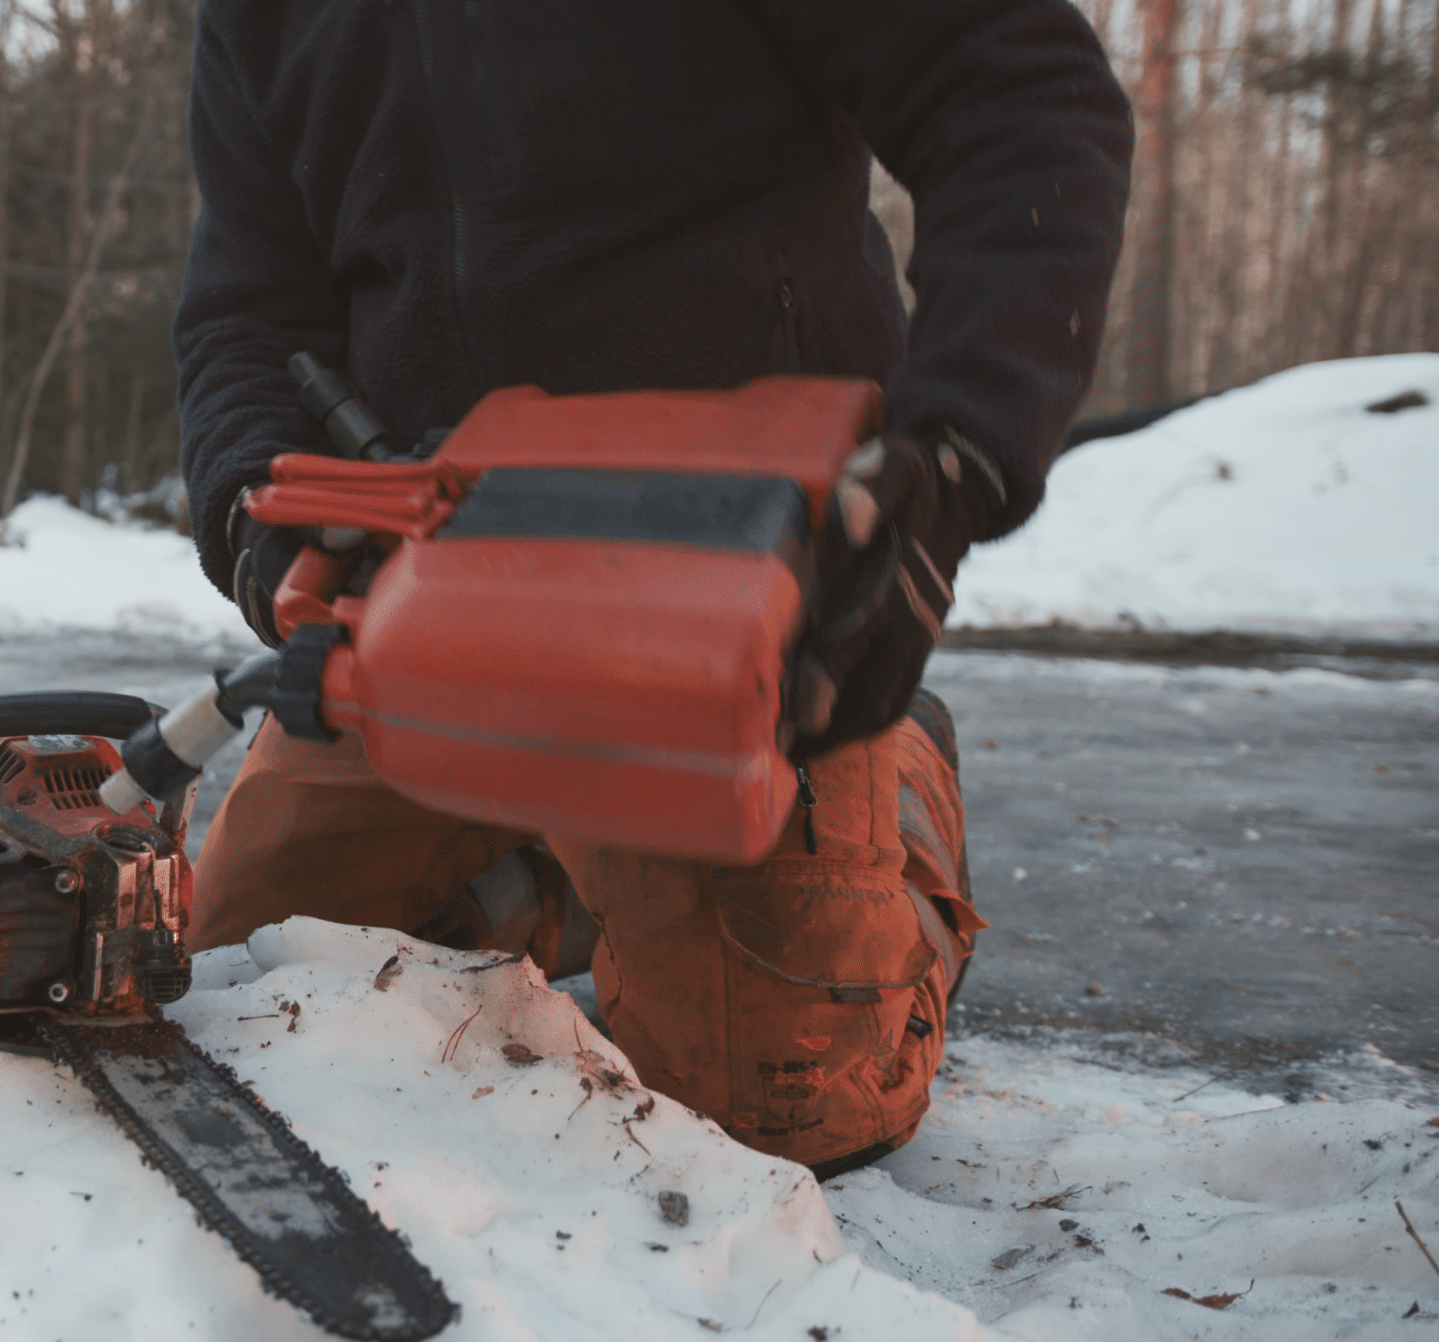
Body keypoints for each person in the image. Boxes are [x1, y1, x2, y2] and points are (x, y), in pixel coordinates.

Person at [173, 0, 1131, 1178]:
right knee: (238, 993)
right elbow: (245, 308)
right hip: (423, 579)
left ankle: (900, 794)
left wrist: (958, 451)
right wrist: (256, 519)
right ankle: (561, 878)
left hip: (726, 566)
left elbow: (1020, 96)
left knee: (781, 1113)